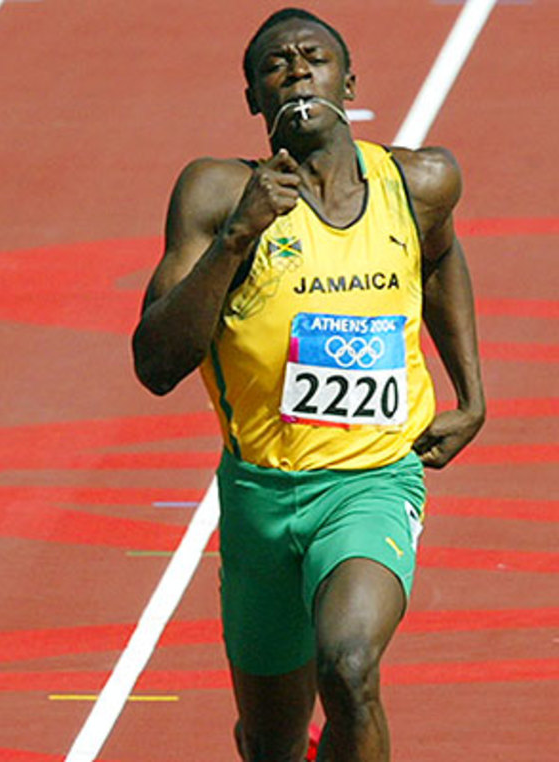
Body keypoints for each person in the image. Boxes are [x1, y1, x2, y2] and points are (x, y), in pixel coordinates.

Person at [131, 8, 483, 762]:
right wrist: (237, 237)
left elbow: (441, 254)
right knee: (272, 743)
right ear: (254, 101)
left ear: (348, 81)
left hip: (373, 482)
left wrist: (471, 393)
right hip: (260, 496)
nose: (296, 71)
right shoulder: (217, 194)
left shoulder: (419, 182)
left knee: (350, 669)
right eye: (275, 65)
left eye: (313, 58)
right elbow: (156, 362)